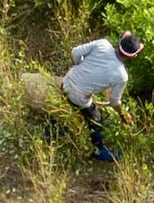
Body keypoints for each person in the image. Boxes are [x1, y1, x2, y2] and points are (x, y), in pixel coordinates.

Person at [61, 31, 143, 163]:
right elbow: (114, 101)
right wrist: (123, 115)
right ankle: (98, 151)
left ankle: (59, 127)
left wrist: (80, 66)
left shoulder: (103, 44)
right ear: (133, 56)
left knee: (75, 109)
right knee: (95, 119)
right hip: (78, 97)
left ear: (120, 41)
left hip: (66, 82)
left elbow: (75, 52)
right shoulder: (121, 76)